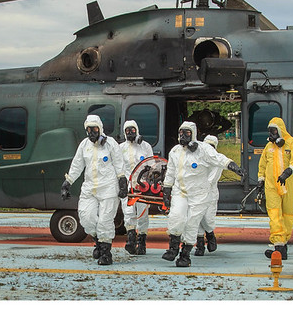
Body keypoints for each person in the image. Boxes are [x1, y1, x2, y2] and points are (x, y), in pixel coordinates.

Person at [162, 122, 244, 267]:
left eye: (186, 133)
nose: (183, 136)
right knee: (176, 217)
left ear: (193, 134)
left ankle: (185, 255)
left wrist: (233, 167)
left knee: (192, 223)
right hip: (180, 191)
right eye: (181, 133)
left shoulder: (204, 149)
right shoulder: (175, 151)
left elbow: (219, 159)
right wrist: (167, 188)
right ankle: (172, 248)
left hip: (199, 194)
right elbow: (171, 171)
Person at [61, 114, 128, 265]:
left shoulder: (110, 144)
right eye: (89, 129)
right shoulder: (84, 145)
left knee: (105, 220)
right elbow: (77, 164)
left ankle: (106, 252)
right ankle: (98, 241)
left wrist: (123, 182)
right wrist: (68, 181)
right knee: (86, 217)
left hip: (108, 188)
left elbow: (119, 163)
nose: (92, 132)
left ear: (100, 129)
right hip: (90, 187)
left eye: (94, 129)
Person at [257, 117, 293, 260]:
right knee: (274, 214)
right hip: (271, 186)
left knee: (288, 214)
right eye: (270, 131)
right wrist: (261, 180)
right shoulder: (269, 147)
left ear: (281, 130)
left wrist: (288, 172)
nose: (272, 134)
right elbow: (262, 164)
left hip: (288, 185)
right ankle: (278, 246)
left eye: (274, 130)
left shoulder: (292, 143)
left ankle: (283, 243)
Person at [119, 120, 154, 255]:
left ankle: (142, 242)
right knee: (128, 212)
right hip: (128, 185)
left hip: (143, 185)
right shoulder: (121, 148)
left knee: (142, 213)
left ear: (137, 130)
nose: (130, 133)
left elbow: (152, 164)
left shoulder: (145, 146)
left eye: (132, 130)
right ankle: (131, 240)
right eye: (127, 130)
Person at [194, 134, 222, 256]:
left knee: (207, 218)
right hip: (197, 193)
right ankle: (200, 245)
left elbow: (212, 179)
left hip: (210, 193)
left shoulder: (217, 160)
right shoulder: (197, 158)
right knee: (197, 218)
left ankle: (210, 234)